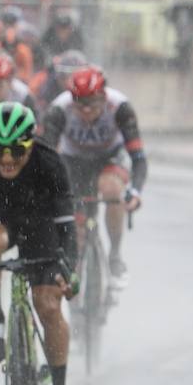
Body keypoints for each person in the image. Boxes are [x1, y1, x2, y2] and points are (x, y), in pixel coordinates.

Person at [0, 102, 79, 385]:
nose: (6, 159)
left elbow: (67, 224)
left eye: (16, 151)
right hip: (0, 223)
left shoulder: (49, 162)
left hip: (41, 228)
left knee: (48, 305)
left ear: (30, 144)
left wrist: (69, 267)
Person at [41, 66, 146, 290]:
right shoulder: (59, 108)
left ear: (104, 96)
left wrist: (135, 192)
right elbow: (46, 156)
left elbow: (138, 157)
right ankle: (74, 272)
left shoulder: (120, 107)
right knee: (75, 223)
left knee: (111, 191)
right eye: (80, 103)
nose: (87, 110)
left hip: (110, 158)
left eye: (93, 103)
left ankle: (115, 255)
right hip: (74, 161)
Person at [29, 49, 88, 116]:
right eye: (64, 77)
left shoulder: (90, 94)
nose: (68, 82)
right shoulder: (46, 87)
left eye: (75, 77)